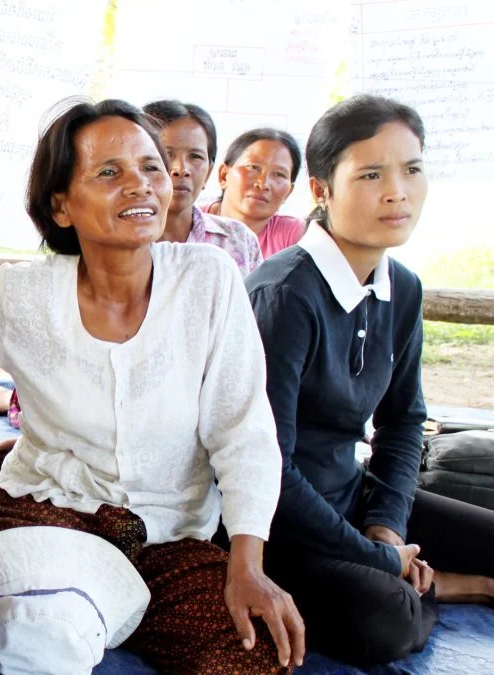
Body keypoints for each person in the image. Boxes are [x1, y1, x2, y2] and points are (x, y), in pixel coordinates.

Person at [0, 98, 304, 674]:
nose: (140, 186)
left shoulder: (208, 282)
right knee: (43, 639)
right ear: (61, 206)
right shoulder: (24, 295)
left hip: (173, 540)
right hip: (51, 515)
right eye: (109, 172)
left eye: (150, 167)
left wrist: (247, 566)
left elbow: (242, 429)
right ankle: (15, 602)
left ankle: (11, 605)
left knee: (256, 651)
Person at [248, 94, 494, 666]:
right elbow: (268, 471)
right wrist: (384, 561)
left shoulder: (401, 287)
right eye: (371, 174)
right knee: (384, 623)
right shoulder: (283, 297)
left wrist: (385, 526)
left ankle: (416, 572)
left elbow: (404, 420)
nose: (397, 192)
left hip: (351, 495)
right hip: (277, 524)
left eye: (412, 169)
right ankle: (458, 585)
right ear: (321, 190)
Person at [143, 99, 262, 275]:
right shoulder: (123, 240)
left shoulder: (238, 240)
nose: (181, 169)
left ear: (209, 171)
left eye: (195, 156)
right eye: (167, 154)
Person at [206, 128, 305, 258]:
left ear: (288, 192)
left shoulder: (297, 236)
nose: (263, 184)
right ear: (224, 175)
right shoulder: (189, 221)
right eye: (253, 167)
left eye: (279, 174)